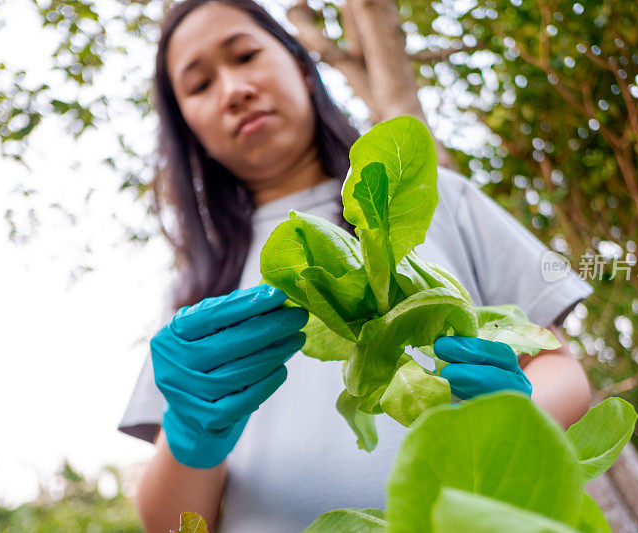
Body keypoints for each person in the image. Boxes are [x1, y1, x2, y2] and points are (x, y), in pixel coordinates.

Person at [118, 0, 594, 531]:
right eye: (200, 86)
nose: (233, 90)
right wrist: (189, 433)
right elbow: (168, 521)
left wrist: (517, 414)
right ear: (188, 127)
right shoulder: (196, 294)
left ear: (301, 63)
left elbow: (561, 368)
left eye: (246, 55)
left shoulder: (438, 197)